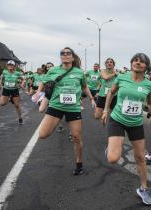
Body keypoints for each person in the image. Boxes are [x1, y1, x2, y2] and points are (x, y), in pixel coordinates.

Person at [102, 53, 151, 205]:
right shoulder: (122, 78)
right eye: (135, 60)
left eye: (141, 62)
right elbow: (111, 92)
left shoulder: (149, 85)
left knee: (140, 157)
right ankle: (111, 148)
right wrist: (106, 110)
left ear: (146, 66)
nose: (137, 63)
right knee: (113, 159)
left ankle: (144, 189)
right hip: (118, 119)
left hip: (136, 123)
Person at [37, 47, 96, 175]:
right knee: (42, 134)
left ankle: (79, 164)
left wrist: (91, 99)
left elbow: (85, 87)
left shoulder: (79, 72)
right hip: (56, 106)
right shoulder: (53, 70)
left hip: (73, 108)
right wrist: (38, 93)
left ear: (72, 57)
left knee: (76, 136)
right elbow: (43, 81)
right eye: (62, 53)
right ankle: (57, 125)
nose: (65, 55)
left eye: (68, 53)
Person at [0, 60, 24, 124]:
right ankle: (9, 98)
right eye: (9, 65)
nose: (10, 66)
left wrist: (22, 85)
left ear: (14, 66)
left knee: (17, 105)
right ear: (7, 66)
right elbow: (1, 78)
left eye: (11, 65)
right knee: (2, 103)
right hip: (6, 90)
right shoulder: (4, 72)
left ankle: (20, 118)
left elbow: (23, 79)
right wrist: (0, 86)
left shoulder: (17, 73)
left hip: (14, 90)